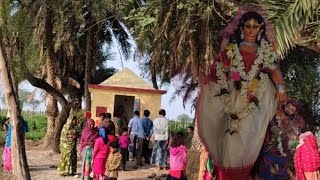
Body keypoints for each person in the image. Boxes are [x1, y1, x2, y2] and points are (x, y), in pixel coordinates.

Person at [197, 6, 287, 179]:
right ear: (242, 27)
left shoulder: (265, 50)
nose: (251, 30)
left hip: (257, 96)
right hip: (233, 94)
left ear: (260, 29)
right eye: (248, 26)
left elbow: (273, 70)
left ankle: (246, 171)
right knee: (231, 136)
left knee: (250, 136)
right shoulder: (232, 48)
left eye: (255, 26)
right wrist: (228, 70)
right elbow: (222, 69)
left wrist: (281, 87)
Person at [257, 98, 305, 179]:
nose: (289, 110)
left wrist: (295, 142)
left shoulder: (292, 123)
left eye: (292, 110)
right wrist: (289, 128)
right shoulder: (275, 114)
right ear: (285, 105)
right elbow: (278, 133)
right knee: (265, 175)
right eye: (288, 107)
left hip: (283, 156)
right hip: (269, 151)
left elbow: (295, 142)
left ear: (294, 112)